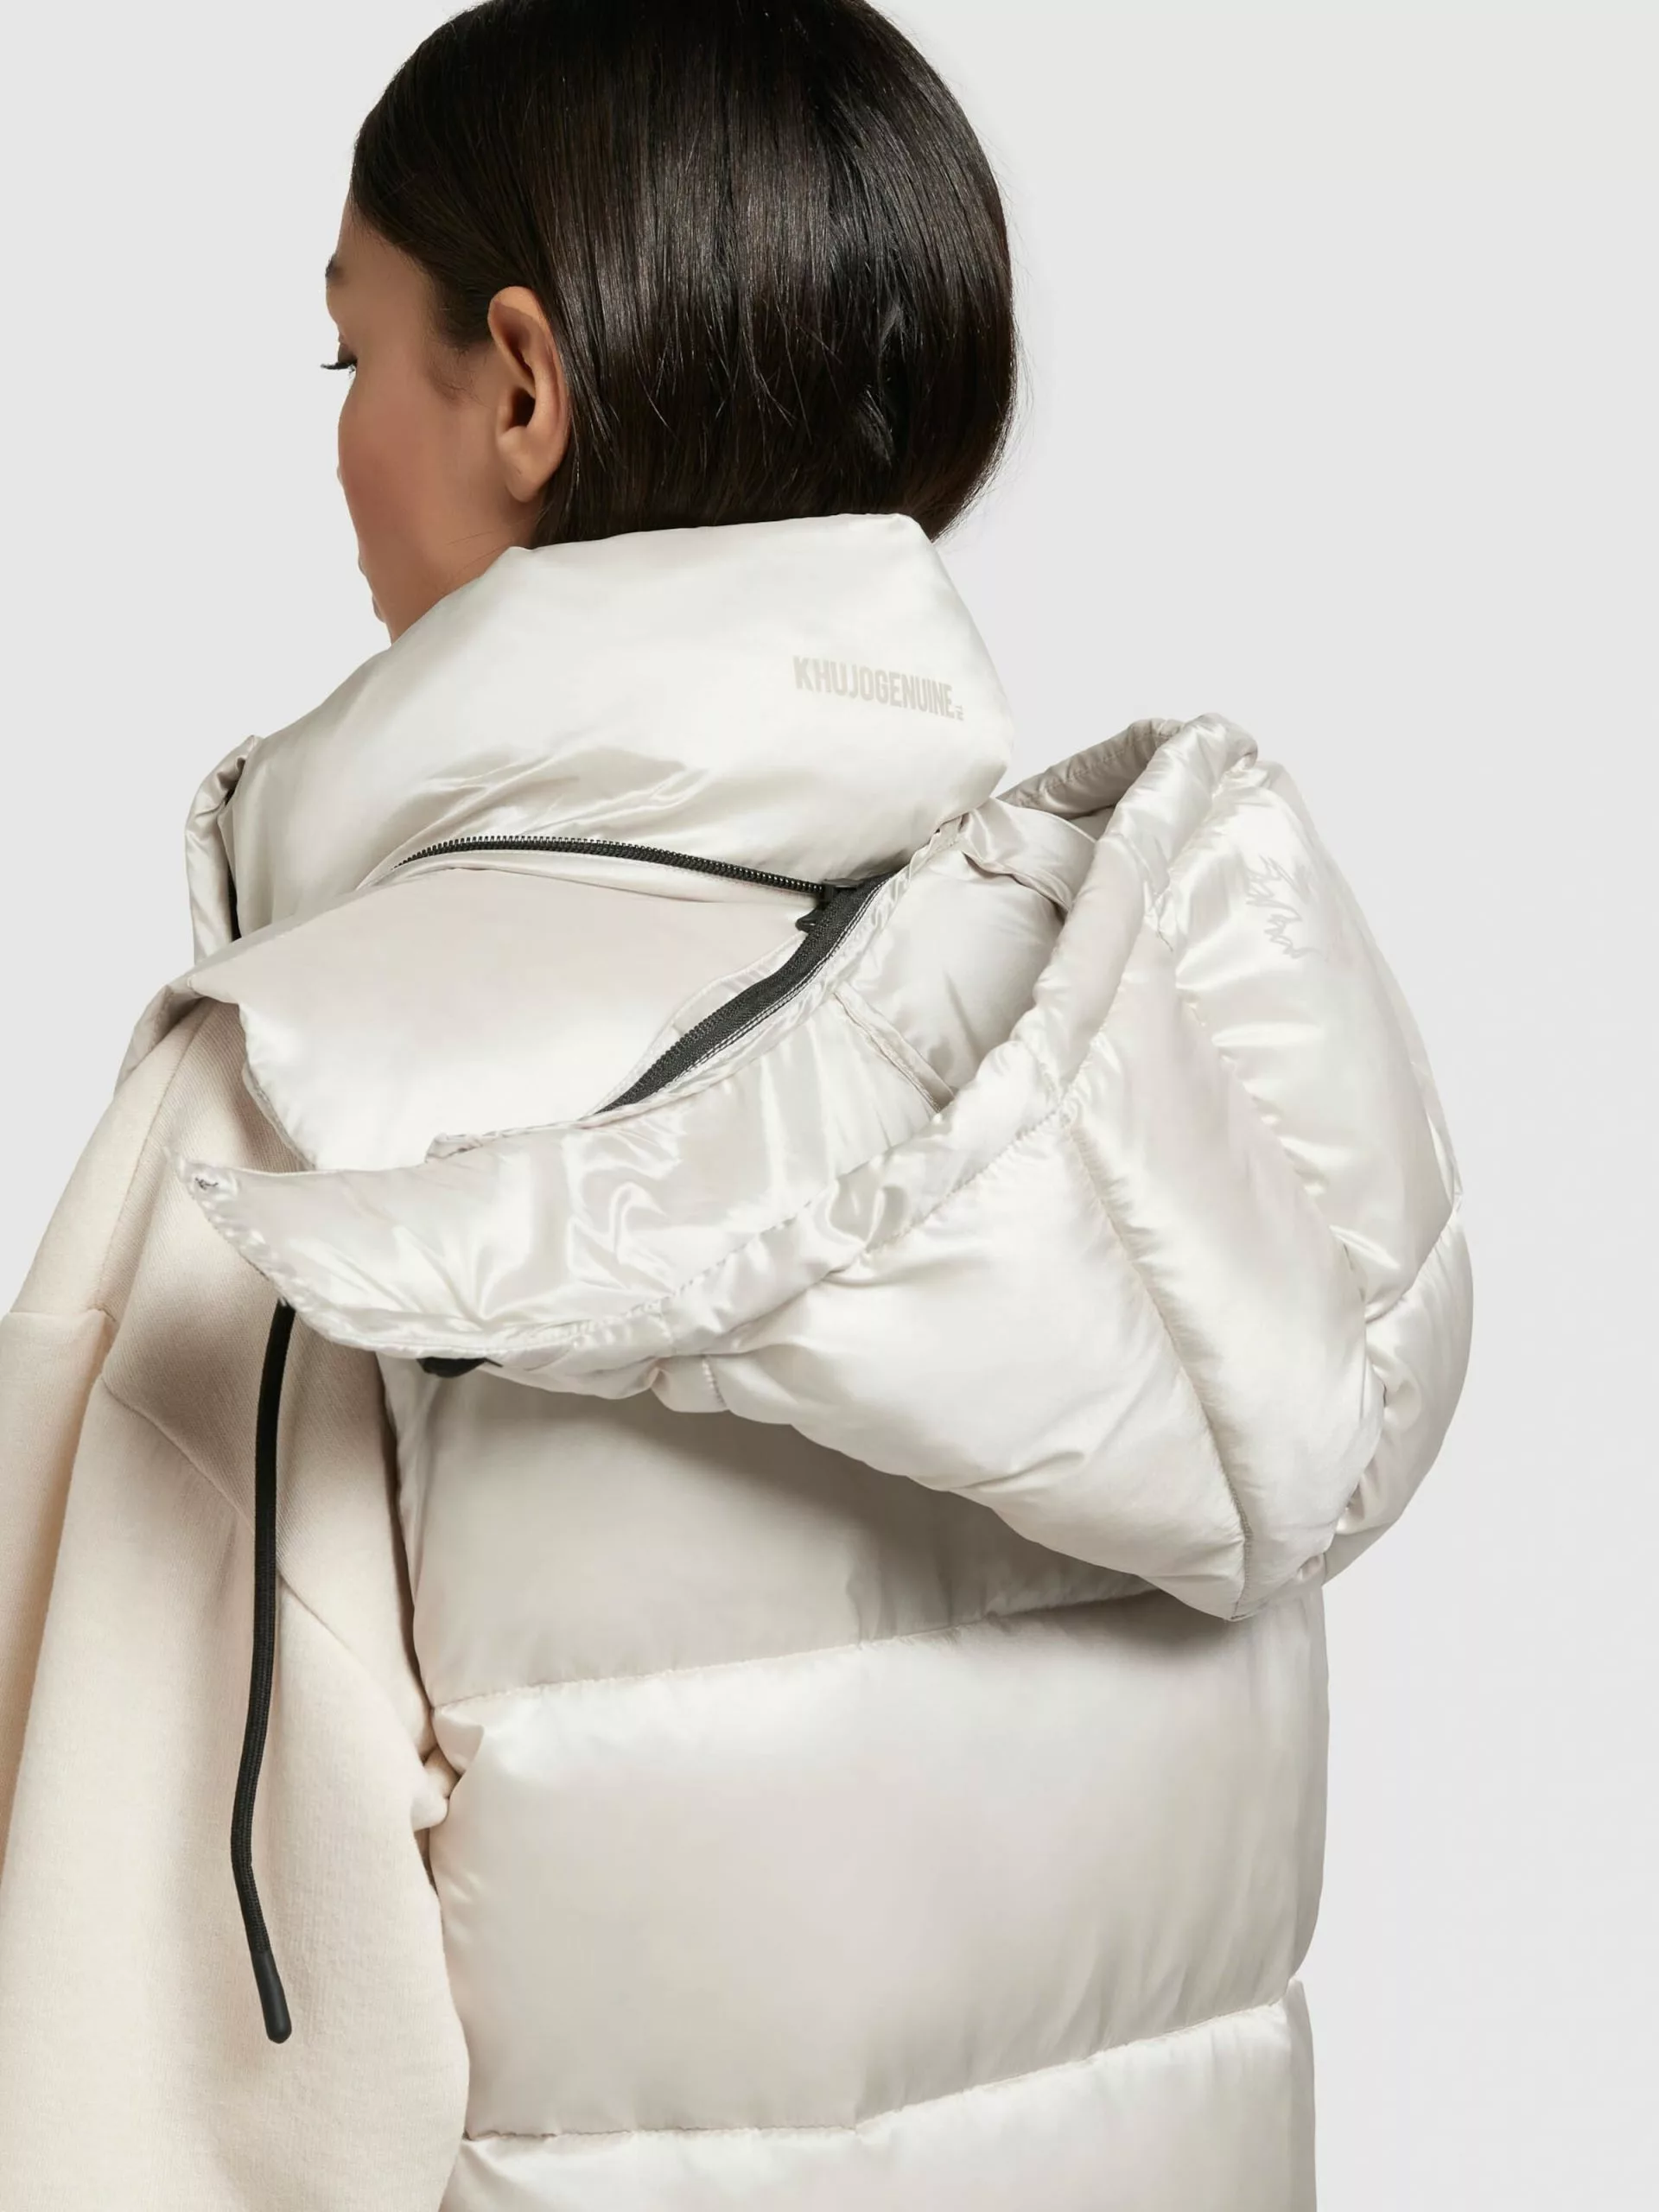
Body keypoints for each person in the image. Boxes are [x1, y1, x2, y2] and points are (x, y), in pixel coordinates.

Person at [0, 2, 1472, 2205]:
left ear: (522, 386)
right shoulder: (1153, 1074)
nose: (343, 442)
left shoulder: (307, 1093)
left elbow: (154, 2085)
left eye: (350, 353)